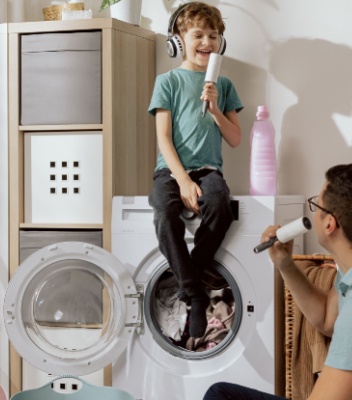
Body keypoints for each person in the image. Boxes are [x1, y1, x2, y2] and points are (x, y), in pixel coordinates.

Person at [204, 164, 352, 400]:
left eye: (316, 204)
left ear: (330, 223)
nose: (313, 212)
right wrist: (285, 264)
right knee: (220, 394)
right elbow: (327, 320)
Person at [148, 1, 243, 339]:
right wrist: (183, 181)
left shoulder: (225, 85)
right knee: (164, 213)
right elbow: (163, 138)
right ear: (178, 40)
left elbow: (235, 138)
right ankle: (196, 293)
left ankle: (190, 278)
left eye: (213, 36)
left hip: (209, 170)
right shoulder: (168, 81)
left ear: (221, 42)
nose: (207, 42)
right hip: (171, 171)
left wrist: (215, 109)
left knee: (221, 207)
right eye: (198, 35)